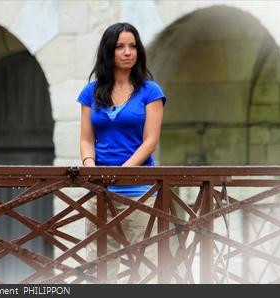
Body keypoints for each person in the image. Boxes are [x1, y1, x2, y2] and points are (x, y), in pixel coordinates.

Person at [77, 22, 166, 283]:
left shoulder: (151, 91)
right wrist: (91, 168)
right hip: (100, 191)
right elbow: (85, 139)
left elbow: (150, 141)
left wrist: (123, 171)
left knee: (146, 265)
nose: (128, 52)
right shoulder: (90, 93)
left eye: (133, 46)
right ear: (109, 52)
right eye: (120, 47)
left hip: (140, 192)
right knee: (99, 266)